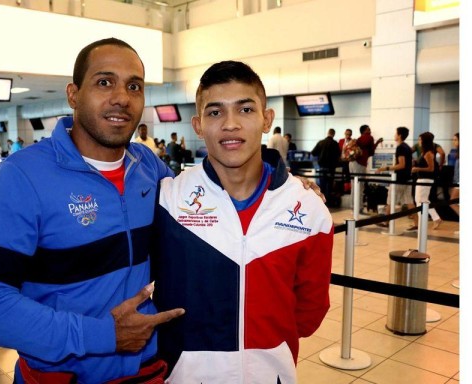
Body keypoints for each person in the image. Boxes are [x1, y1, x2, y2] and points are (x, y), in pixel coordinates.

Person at [0, 37, 185, 384]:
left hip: (147, 371)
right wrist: (102, 335)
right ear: (74, 94)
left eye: (134, 86)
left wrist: (275, 181)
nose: (121, 97)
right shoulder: (23, 176)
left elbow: (208, 203)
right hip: (63, 377)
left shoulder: (149, 166)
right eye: (104, 82)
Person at [151, 60, 333, 383]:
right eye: (215, 112)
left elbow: (309, 313)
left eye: (246, 110)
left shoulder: (309, 209)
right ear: (197, 124)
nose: (230, 124)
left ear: (267, 119)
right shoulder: (167, 200)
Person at [374, 126, 415, 228]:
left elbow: (401, 164)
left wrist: (384, 168)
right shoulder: (407, 147)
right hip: (407, 178)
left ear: (399, 135)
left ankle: (386, 222)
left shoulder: (401, 147)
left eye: (396, 133)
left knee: (390, 200)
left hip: (400, 179)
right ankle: (417, 224)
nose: (394, 135)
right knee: (409, 202)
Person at [411, 132, 442, 230]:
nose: (419, 141)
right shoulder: (424, 152)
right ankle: (436, 218)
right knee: (422, 200)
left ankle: (422, 223)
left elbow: (431, 168)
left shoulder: (428, 153)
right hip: (422, 179)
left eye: (420, 139)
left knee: (421, 201)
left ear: (425, 141)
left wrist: (417, 169)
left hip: (425, 180)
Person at [349, 124, 383, 213]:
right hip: (360, 163)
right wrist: (377, 143)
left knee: (353, 186)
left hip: (352, 162)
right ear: (364, 131)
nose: (370, 130)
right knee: (360, 186)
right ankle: (359, 207)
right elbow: (371, 152)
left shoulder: (359, 139)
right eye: (368, 129)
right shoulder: (369, 137)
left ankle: (353, 206)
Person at [311, 128, 341, 203]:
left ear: (328, 133)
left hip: (322, 167)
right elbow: (338, 155)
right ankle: (329, 201)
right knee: (330, 185)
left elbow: (313, 152)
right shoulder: (335, 144)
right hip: (331, 168)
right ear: (333, 134)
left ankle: (321, 201)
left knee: (322, 185)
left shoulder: (321, 142)